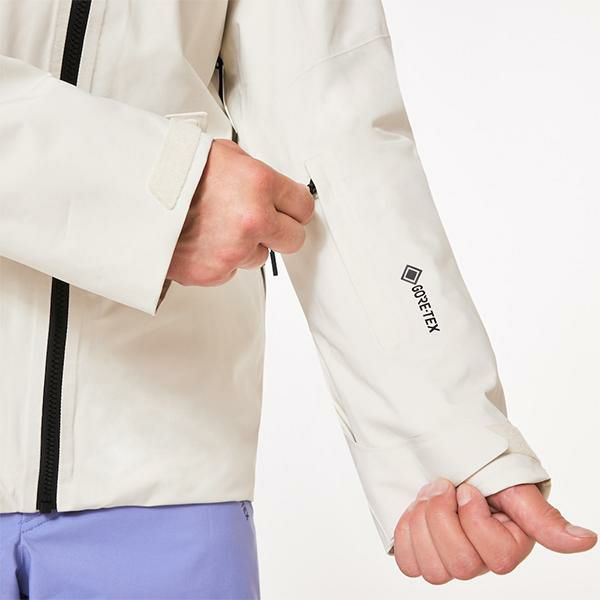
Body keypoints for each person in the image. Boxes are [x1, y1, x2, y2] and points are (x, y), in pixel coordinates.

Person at [0, 0, 595, 598]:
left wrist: (452, 442)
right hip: (171, 465)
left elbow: (327, 124)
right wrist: (157, 192)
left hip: (165, 471)